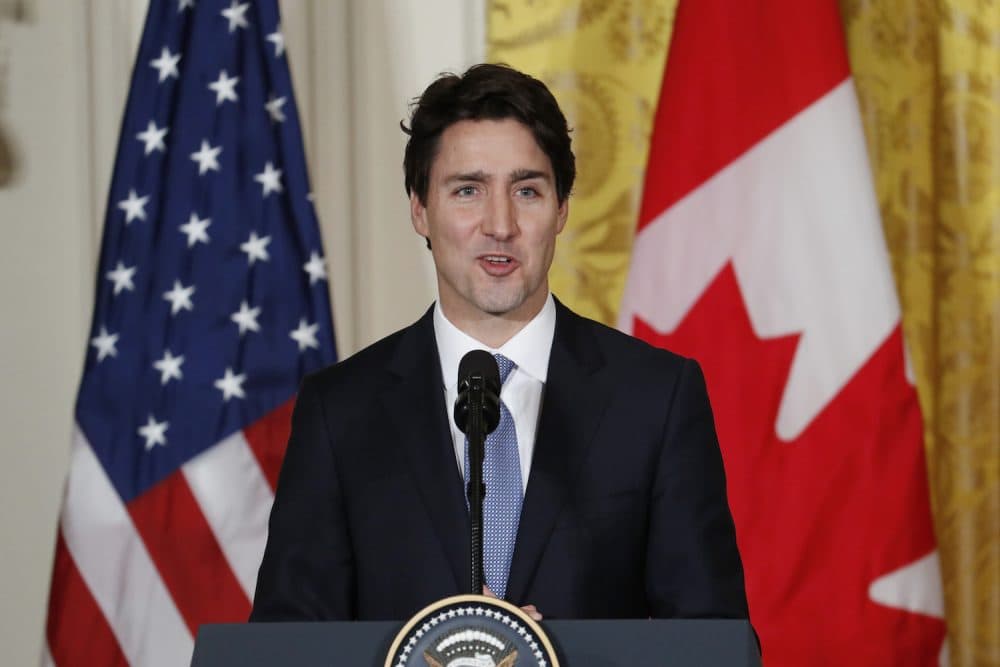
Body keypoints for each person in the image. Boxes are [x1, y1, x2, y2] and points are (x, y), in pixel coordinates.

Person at [250, 63, 749, 623]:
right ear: (420, 209)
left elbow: (715, 643)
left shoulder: (655, 398)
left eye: (527, 190)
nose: (501, 225)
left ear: (561, 209)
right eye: (468, 190)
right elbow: (285, 645)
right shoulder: (340, 410)